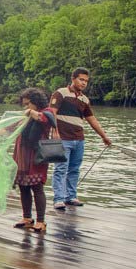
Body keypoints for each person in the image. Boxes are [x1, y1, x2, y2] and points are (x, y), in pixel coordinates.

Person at [49, 68, 112, 210]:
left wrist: (104, 136)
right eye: (81, 79)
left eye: (86, 81)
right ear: (73, 78)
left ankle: (70, 196)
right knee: (60, 168)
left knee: (74, 169)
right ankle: (58, 198)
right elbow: (52, 112)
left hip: (79, 138)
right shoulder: (61, 93)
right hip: (63, 138)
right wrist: (55, 131)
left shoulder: (84, 99)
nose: (84, 83)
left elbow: (91, 119)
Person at [13, 88, 55, 232]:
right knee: (23, 186)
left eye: (28, 104)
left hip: (36, 155)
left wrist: (30, 112)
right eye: (24, 105)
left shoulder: (47, 112)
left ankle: (41, 221)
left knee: (37, 187)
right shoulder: (27, 115)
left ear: (36, 102)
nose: (26, 107)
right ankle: (27, 218)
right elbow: (11, 128)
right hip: (22, 154)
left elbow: (41, 118)